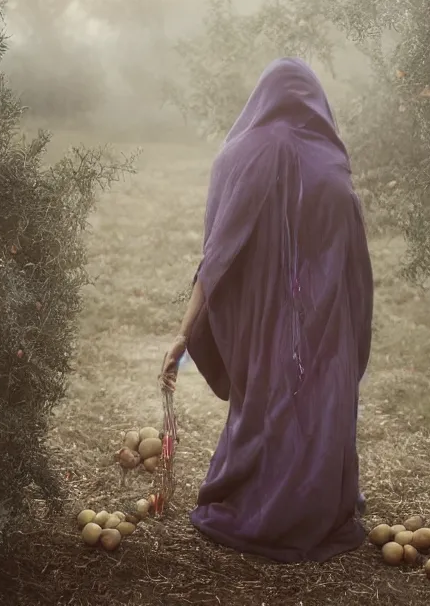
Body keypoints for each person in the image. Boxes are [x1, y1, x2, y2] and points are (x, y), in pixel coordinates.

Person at [160, 57, 373, 563]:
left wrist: (186, 333)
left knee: (266, 404)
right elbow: (353, 260)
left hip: (262, 324)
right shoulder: (330, 161)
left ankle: (258, 503)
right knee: (319, 406)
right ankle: (316, 506)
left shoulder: (240, 154)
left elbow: (218, 256)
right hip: (323, 323)